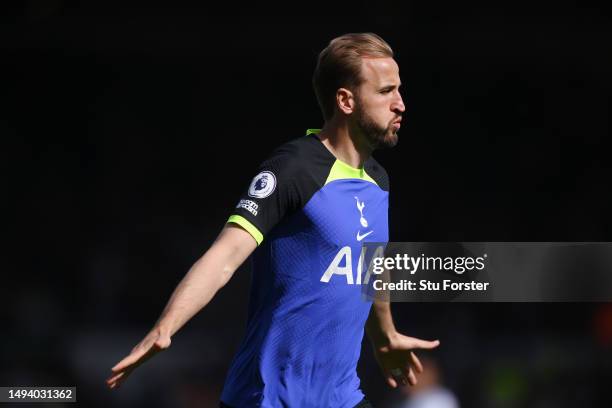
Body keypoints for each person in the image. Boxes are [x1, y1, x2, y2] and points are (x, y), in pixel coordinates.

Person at [107, 32, 440, 408]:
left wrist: (384, 335)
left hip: (341, 398)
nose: (401, 104)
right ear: (346, 100)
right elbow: (225, 255)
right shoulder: (294, 169)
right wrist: (164, 328)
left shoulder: (378, 180)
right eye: (386, 91)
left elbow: (370, 265)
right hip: (267, 398)